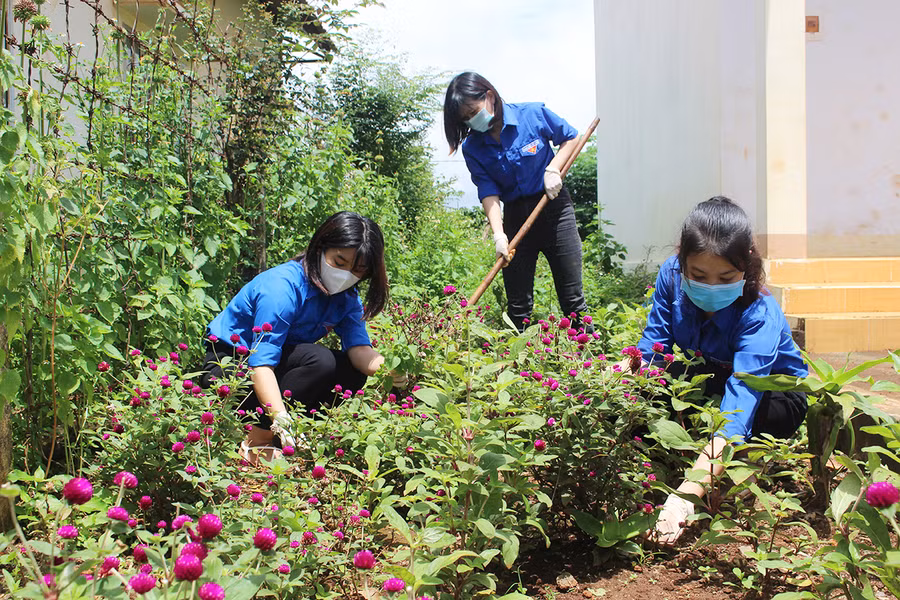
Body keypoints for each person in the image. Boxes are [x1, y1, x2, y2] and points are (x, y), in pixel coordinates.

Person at [636, 197, 808, 544]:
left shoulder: (759, 312)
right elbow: (652, 351)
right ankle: (692, 458)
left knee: (768, 416)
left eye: (726, 277)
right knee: (641, 396)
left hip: (768, 393)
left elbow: (740, 402)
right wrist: (627, 382)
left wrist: (685, 498)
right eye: (698, 276)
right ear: (682, 261)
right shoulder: (671, 276)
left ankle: (748, 465)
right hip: (706, 376)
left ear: (746, 268)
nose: (710, 287)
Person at [200, 211, 390, 462]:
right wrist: (278, 416)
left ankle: (287, 436)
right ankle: (256, 443)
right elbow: (261, 363)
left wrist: (393, 369)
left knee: (351, 372)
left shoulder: (346, 298)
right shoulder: (281, 288)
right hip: (230, 368)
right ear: (320, 248)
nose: (346, 275)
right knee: (320, 361)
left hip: (275, 366)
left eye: (358, 270)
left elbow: (359, 350)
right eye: (339, 262)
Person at [443, 72, 588, 332]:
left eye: (472, 111)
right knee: (518, 306)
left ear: (489, 96)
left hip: (554, 208)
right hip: (516, 219)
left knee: (573, 301)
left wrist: (553, 169)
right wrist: (499, 236)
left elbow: (571, 138)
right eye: (465, 118)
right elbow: (488, 192)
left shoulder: (532, 114)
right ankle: (516, 366)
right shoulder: (473, 147)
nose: (471, 121)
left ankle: (590, 363)